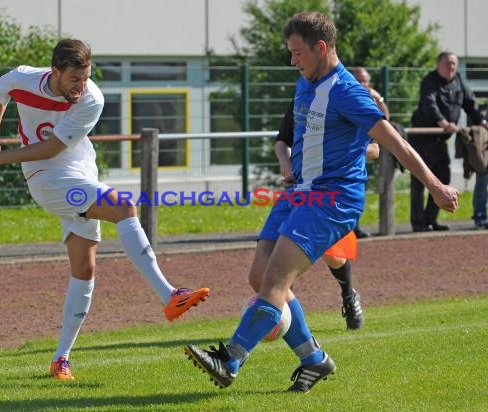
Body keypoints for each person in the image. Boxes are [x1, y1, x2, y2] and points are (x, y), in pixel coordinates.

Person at [183, 11, 459, 394]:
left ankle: (230, 358)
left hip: (332, 200)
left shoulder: (347, 91)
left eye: (298, 53)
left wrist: (436, 186)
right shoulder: (305, 82)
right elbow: (333, 142)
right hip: (300, 193)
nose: (293, 61)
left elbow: (395, 143)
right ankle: (313, 359)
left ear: (322, 48)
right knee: (260, 277)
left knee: (276, 281)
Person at [0, 39, 210, 381]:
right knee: (124, 206)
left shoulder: (92, 98)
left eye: (86, 78)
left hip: (79, 174)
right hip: (45, 179)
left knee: (84, 268)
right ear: (54, 72)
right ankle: (169, 295)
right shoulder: (21, 78)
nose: (81, 87)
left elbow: (52, 147)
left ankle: (60, 359)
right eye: (74, 80)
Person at [273, 100, 377, 329]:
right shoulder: (300, 100)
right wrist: (285, 163)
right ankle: (281, 309)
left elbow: (375, 148)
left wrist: (339, 150)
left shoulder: (346, 101)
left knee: (333, 254)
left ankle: (349, 295)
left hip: (332, 194)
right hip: (299, 189)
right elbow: (282, 141)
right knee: (281, 250)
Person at [410, 51, 488, 232]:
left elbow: (471, 104)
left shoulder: (459, 81)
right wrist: (443, 123)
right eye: (447, 63)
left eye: (453, 63)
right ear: (438, 64)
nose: (451, 67)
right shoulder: (429, 81)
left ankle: (431, 220)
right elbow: (429, 104)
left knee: (443, 179)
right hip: (422, 140)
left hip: (440, 141)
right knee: (419, 182)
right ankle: (418, 223)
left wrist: (483, 122)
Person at [350, 66, 390, 238]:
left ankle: (355, 227)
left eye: (365, 80)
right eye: (359, 80)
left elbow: (386, 119)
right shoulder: (347, 97)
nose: (362, 84)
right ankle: (348, 229)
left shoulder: (371, 99)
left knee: (359, 190)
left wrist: (378, 97)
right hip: (348, 150)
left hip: (365, 148)